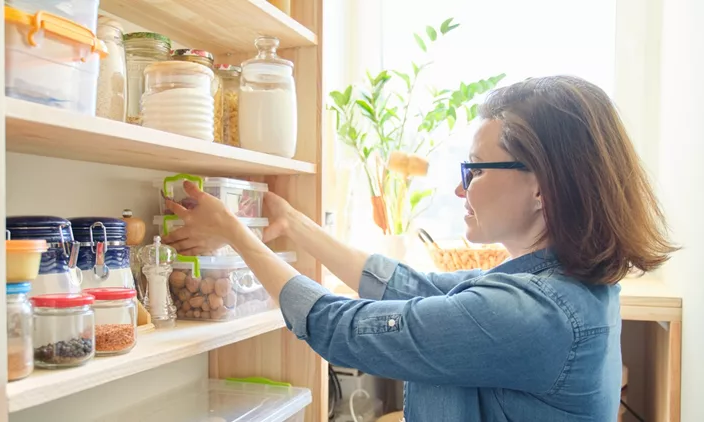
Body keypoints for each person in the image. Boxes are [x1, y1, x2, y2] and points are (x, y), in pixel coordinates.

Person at [163, 75, 677, 422]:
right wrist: (296, 227)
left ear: (542, 187)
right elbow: (417, 288)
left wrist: (236, 232)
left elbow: (341, 329)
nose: (461, 189)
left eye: (474, 170)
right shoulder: (550, 285)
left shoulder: (531, 313)